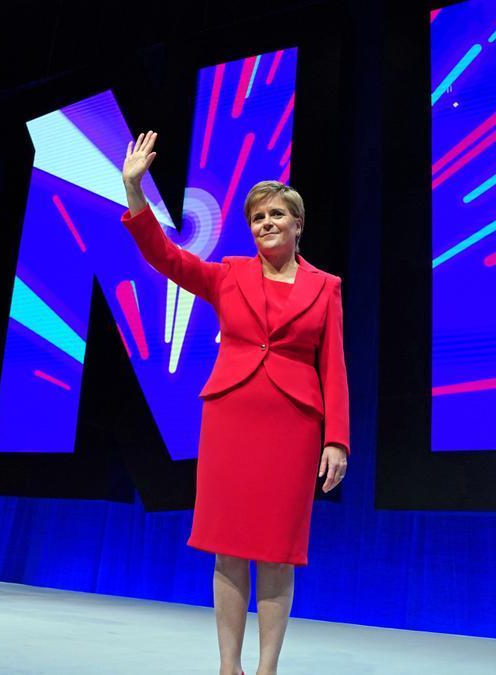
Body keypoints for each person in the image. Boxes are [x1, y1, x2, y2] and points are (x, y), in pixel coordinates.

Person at [120, 131, 349, 675]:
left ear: (297, 224)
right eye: (257, 217)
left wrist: (336, 438)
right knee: (227, 547)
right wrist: (135, 191)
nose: (266, 223)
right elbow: (166, 258)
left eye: (276, 215)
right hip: (231, 419)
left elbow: (334, 366)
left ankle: (266, 668)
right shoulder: (230, 275)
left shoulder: (326, 287)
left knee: (277, 551)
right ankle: (229, 666)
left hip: (293, 425)